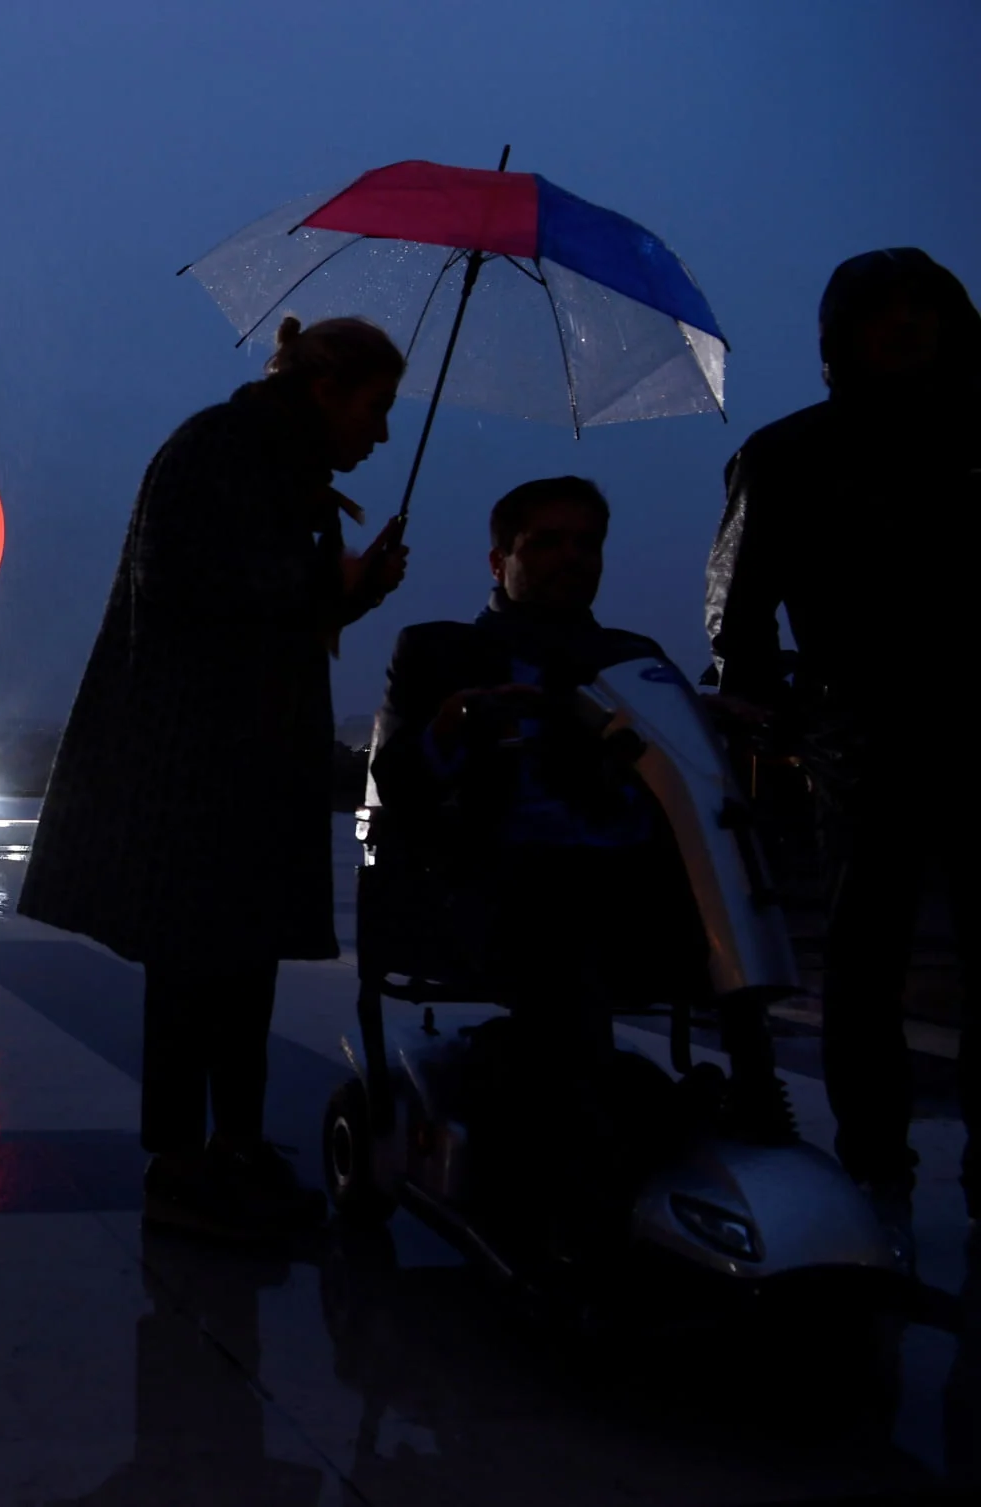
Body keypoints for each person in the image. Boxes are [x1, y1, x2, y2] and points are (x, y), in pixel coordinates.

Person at [19, 314, 409, 1239]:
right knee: (202, 960)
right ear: (324, 390)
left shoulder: (253, 455)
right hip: (202, 758)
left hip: (236, 753)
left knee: (232, 956)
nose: (382, 432)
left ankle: (225, 1145)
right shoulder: (228, 453)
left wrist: (348, 593)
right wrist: (332, 590)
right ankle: (186, 1160)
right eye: (374, 407)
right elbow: (202, 593)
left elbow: (248, 604)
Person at [369, 477, 795, 1253]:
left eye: (586, 543)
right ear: (498, 560)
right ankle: (584, 1165)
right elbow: (398, 780)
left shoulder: (634, 660)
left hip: (626, 873)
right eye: (547, 542)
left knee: (736, 877)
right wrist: (453, 726)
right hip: (494, 877)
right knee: (560, 898)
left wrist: (709, 728)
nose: (572, 558)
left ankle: (756, 1103)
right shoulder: (441, 651)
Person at [706, 248, 981, 1239]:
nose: (905, 324)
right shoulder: (785, 455)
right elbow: (735, 611)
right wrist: (768, 710)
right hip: (860, 734)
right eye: (882, 310)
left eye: (921, 307)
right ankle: (872, 1161)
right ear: (841, 336)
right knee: (865, 960)